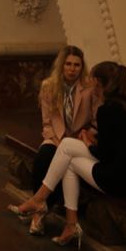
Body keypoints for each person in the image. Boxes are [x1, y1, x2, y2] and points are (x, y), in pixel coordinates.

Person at [8, 61, 126, 248]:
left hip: (122, 181)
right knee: (68, 151)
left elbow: (105, 155)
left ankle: (43, 203)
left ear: (100, 84)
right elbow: (120, 146)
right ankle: (61, 218)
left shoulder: (108, 110)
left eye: (93, 83)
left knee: (68, 155)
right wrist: (93, 141)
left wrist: (89, 143)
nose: (92, 88)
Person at [24, 45, 100, 235]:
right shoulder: (49, 87)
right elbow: (47, 123)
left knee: (63, 162)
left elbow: (95, 122)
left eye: (76, 65)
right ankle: (39, 211)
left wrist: (86, 135)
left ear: (82, 67)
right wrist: (57, 142)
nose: (72, 69)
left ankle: (39, 209)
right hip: (56, 138)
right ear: (61, 65)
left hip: (79, 139)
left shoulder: (89, 89)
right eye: (68, 64)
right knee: (43, 157)